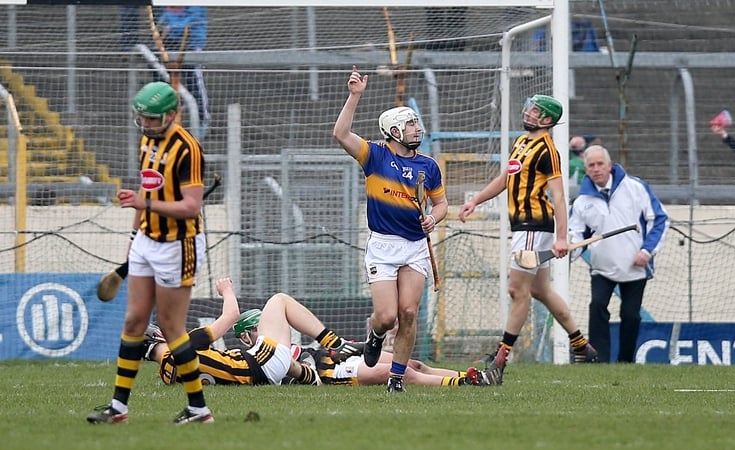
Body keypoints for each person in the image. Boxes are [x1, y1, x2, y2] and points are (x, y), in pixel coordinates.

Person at [88, 81, 212, 424]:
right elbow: (147, 187)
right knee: (134, 321)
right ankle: (118, 408)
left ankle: (199, 409)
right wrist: (134, 234)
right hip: (146, 239)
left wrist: (145, 203)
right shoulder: (147, 141)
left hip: (178, 244)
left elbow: (191, 206)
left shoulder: (188, 149)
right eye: (141, 118)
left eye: (152, 119)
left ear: (172, 115)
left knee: (172, 327)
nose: (145, 124)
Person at [458, 94, 597, 382]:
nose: (529, 113)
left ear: (547, 120)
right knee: (540, 290)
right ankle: (581, 345)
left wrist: (561, 238)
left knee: (516, 289)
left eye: (535, 111)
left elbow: (559, 197)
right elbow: (505, 179)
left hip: (534, 226)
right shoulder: (521, 142)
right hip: (523, 227)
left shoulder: (548, 150)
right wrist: (476, 201)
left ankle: (501, 357)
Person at [333, 65, 449, 394]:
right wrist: (354, 96)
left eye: (416, 123)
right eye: (410, 124)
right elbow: (341, 134)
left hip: (414, 245)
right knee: (385, 317)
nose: (417, 128)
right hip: (383, 246)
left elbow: (441, 205)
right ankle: (375, 336)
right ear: (394, 131)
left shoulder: (428, 166)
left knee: (409, 312)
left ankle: (396, 378)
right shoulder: (375, 156)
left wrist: (433, 219)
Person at [144, 278, 363, 386]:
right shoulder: (185, 344)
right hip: (258, 363)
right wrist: (226, 290)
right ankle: (335, 343)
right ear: (158, 336)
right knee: (279, 301)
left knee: (282, 354)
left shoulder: (167, 375)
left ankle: (310, 377)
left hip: (257, 376)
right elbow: (231, 315)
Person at [569, 145, 670, 363]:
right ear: (586, 169)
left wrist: (647, 251)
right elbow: (576, 237)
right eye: (591, 165)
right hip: (602, 268)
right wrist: (567, 252)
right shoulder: (581, 202)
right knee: (597, 307)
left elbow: (660, 219)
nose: (596, 169)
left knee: (631, 315)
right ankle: (599, 360)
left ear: (609, 164)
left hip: (636, 266)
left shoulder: (635, 187)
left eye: (600, 164)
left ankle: (626, 361)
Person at [304, 347, 497, 387]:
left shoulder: (278, 344)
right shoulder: (274, 366)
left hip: (335, 357)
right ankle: (463, 382)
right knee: (403, 372)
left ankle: (479, 376)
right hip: (328, 372)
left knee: (413, 364)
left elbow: (306, 353)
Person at [157, 6, 210, 137]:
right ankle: (168, 113)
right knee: (162, 73)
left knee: (194, 81)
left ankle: (203, 119)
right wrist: (161, 24)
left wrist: (170, 27)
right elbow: (166, 13)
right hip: (172, 41)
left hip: (191, 43)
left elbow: (194, 19)